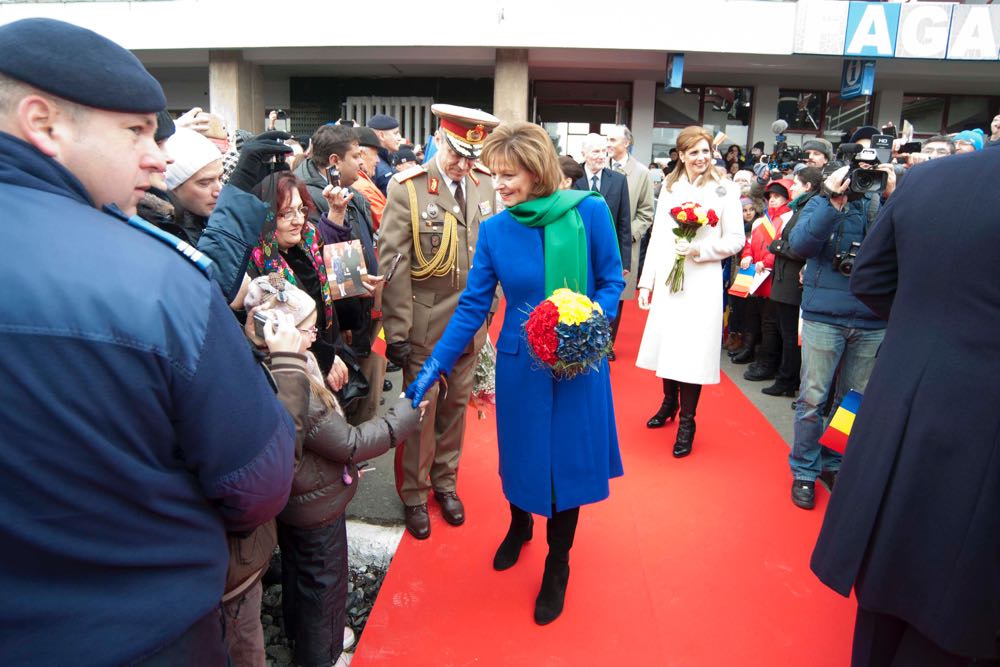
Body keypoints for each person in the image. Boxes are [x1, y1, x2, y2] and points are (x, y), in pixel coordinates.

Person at [0, 18, 295, 665]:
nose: (158, 155)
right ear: (42, 122)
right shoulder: (156, 280)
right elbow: (259, 482)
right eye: (134, 130)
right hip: (145, 636)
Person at [405, 120, 625, 625]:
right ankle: (520, 523)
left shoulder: (589, 212)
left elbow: (612, 280)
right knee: (522, 455)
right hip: (521, 365)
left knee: (567, 463)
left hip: (578, 361)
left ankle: (558, 562)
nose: (498, 184)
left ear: (537, 171)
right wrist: (434, 365)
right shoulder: (496, 230)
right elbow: (472, 306)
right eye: (493, 174)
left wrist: (588, 319)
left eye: (508, 175)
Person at [811, 140, 1000, 666]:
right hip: (981, 428)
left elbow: (871, 278)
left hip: (905, 399)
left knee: (888, 580)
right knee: (963, 611)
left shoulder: (930, 178)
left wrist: (927, 333)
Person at [244, 276, 423, 667]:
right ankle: (321, 653)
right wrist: (402, 418)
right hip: (317, 508)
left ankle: (297, 631)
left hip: (295, 501)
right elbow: (351, 443)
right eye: (309, 330)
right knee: (324, 586)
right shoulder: (298, 388)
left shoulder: (269, 366)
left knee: (298, 573)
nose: (315, 337)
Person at [377, 103, 500, 540]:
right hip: (425, 325)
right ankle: (414, 493)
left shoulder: (484, 184)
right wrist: (397, 331)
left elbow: (492, 252)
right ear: (439, 140)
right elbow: (393, 265)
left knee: (455, 409)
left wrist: (489, 308)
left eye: (471, 157)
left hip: (470, 326)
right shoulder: (408, 189)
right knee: (421, 412)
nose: (463, 165)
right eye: (457, 154)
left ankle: (445, 483)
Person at [636, 126, 745, 457]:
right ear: (681, 155)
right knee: (669, 345)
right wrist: (646, 281)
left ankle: (688, 421)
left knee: (693, 352)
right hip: (670, 280)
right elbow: (658, 237)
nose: (701, 157)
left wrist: (701, 250)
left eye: (706, 151)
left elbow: (736, 239)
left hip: (702, 282)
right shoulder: (670, 187)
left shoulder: (725, 189)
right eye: (694, 152)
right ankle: (669, 402)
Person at [786, 165, 888, 510]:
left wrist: (892, 193)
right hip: (824, 317)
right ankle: (804, 469)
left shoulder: (883, 203)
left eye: (870, 174)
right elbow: (801, 245)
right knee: (812, 399)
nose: (862, 181)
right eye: (857, 173)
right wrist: (832, 200)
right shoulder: (820, 202)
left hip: (872, 317)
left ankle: (834, 463)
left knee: (851, 402)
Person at [763, 166, 822, 397]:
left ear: (808, 186)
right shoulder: (800, 208)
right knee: (784, 332)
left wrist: (777, 246)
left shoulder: (809, 209)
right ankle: (785, 377)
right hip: (784, 280)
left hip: (792, 282)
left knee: (790, 336)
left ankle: (787, 381)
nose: (793, 188)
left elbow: (801, 247)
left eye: (796, 184)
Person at [606, 125, 654, 356]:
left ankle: (607, 344)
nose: (608, 144)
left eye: (613, 140)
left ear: (626, 143)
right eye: (607, 139)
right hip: (597, 242)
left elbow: (646, 212)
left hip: (624, 244)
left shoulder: (641, 173)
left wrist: (627, 234)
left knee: (617, 293)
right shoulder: (599, 167)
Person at [740, 178, 793, 383]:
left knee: (771, 323)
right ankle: (757, 356)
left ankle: (767, 364)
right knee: (758, 318)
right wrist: (747, 256)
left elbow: (782, 245)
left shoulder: (788, 218)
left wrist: (766, 261)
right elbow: (750, 243)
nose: (772, 200)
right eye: (770, 196)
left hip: (774, 278)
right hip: (757, 276)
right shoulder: (763, 220)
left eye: (777, 196)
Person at [367, 112, 401, 194]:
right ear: (381, 135)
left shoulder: (389, 158)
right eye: (395, 133)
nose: (399, 138)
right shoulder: (371, 163)